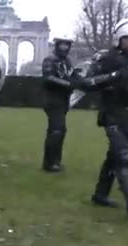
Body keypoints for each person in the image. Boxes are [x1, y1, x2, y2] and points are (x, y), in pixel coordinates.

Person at [79, 19, 128, 219]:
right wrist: (115, 76)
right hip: (112, 113)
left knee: (113, 157)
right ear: (119, 38)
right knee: (123, 157)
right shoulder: (107, 58)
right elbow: (86, 82)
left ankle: (100, 195)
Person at [41, 35, 75, 172]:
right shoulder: (50, 60)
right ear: (57, 45)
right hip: (52, 98)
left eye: (67, 45)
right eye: (62, 44)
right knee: (56, 130)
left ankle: (54, 161)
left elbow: (72, 76)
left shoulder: (67, 61)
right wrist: (68, 84)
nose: (65, 47)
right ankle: (50, 163)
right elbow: (48, 78)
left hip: (63, 98)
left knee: (59, 131)